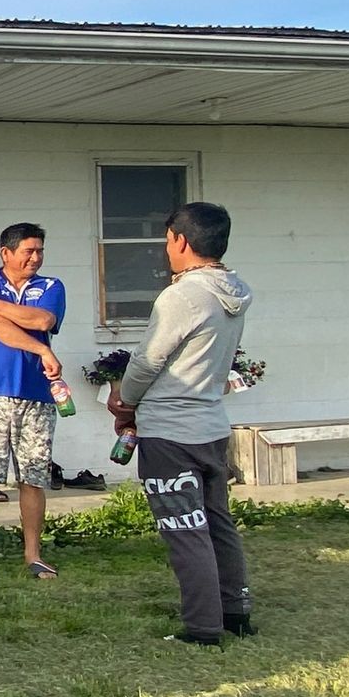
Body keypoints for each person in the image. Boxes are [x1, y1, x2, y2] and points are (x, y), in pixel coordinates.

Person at [107, 203, 255, 646]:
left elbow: (149, 357)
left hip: (171, 430)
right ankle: (235, 612)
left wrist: (125, 401)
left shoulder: (183, 295)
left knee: (183, 529)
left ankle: (204, 627)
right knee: (216, 523)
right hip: (211, 424)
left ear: (181, 241)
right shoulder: (235, 289)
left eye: (167, 240)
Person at [0, 222, 66, 577]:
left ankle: (33, 554)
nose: (36, 258)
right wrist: (40, 348)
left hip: (37, 394)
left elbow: (42, 318)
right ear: (5, 253)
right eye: (28, 251)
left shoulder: (51, 286)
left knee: (33, 475)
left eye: (40, 250)